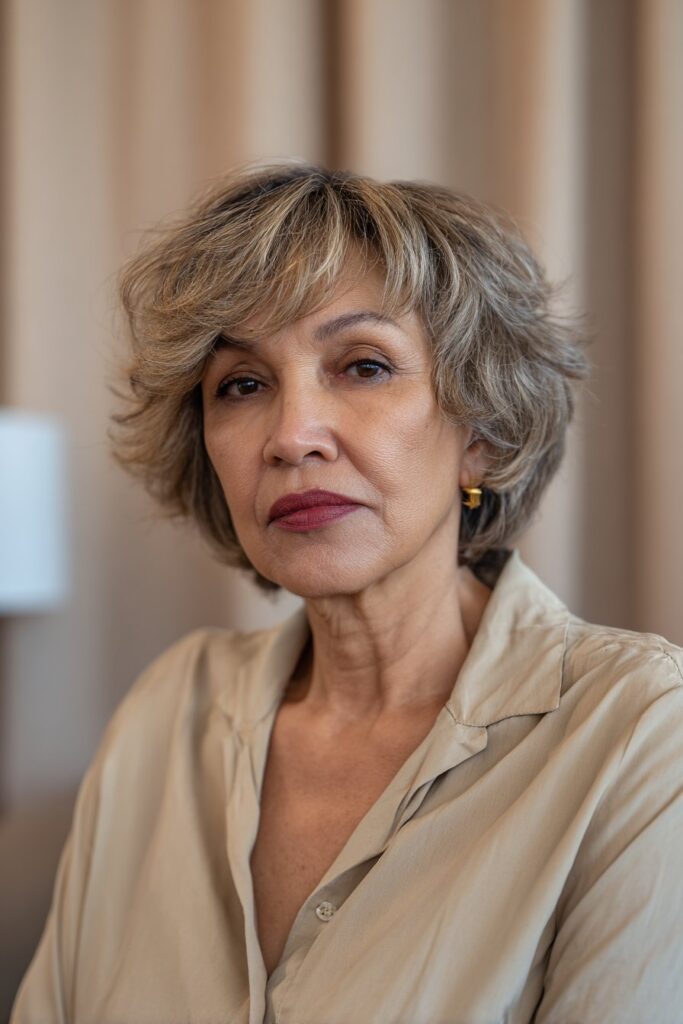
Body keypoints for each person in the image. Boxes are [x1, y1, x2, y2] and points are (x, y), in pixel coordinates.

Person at [12, 164, 683, 1024]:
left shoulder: (635, 730)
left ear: (479, 430)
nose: (291, 436)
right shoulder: (168, 710)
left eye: (362, 366)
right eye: (242, 385)